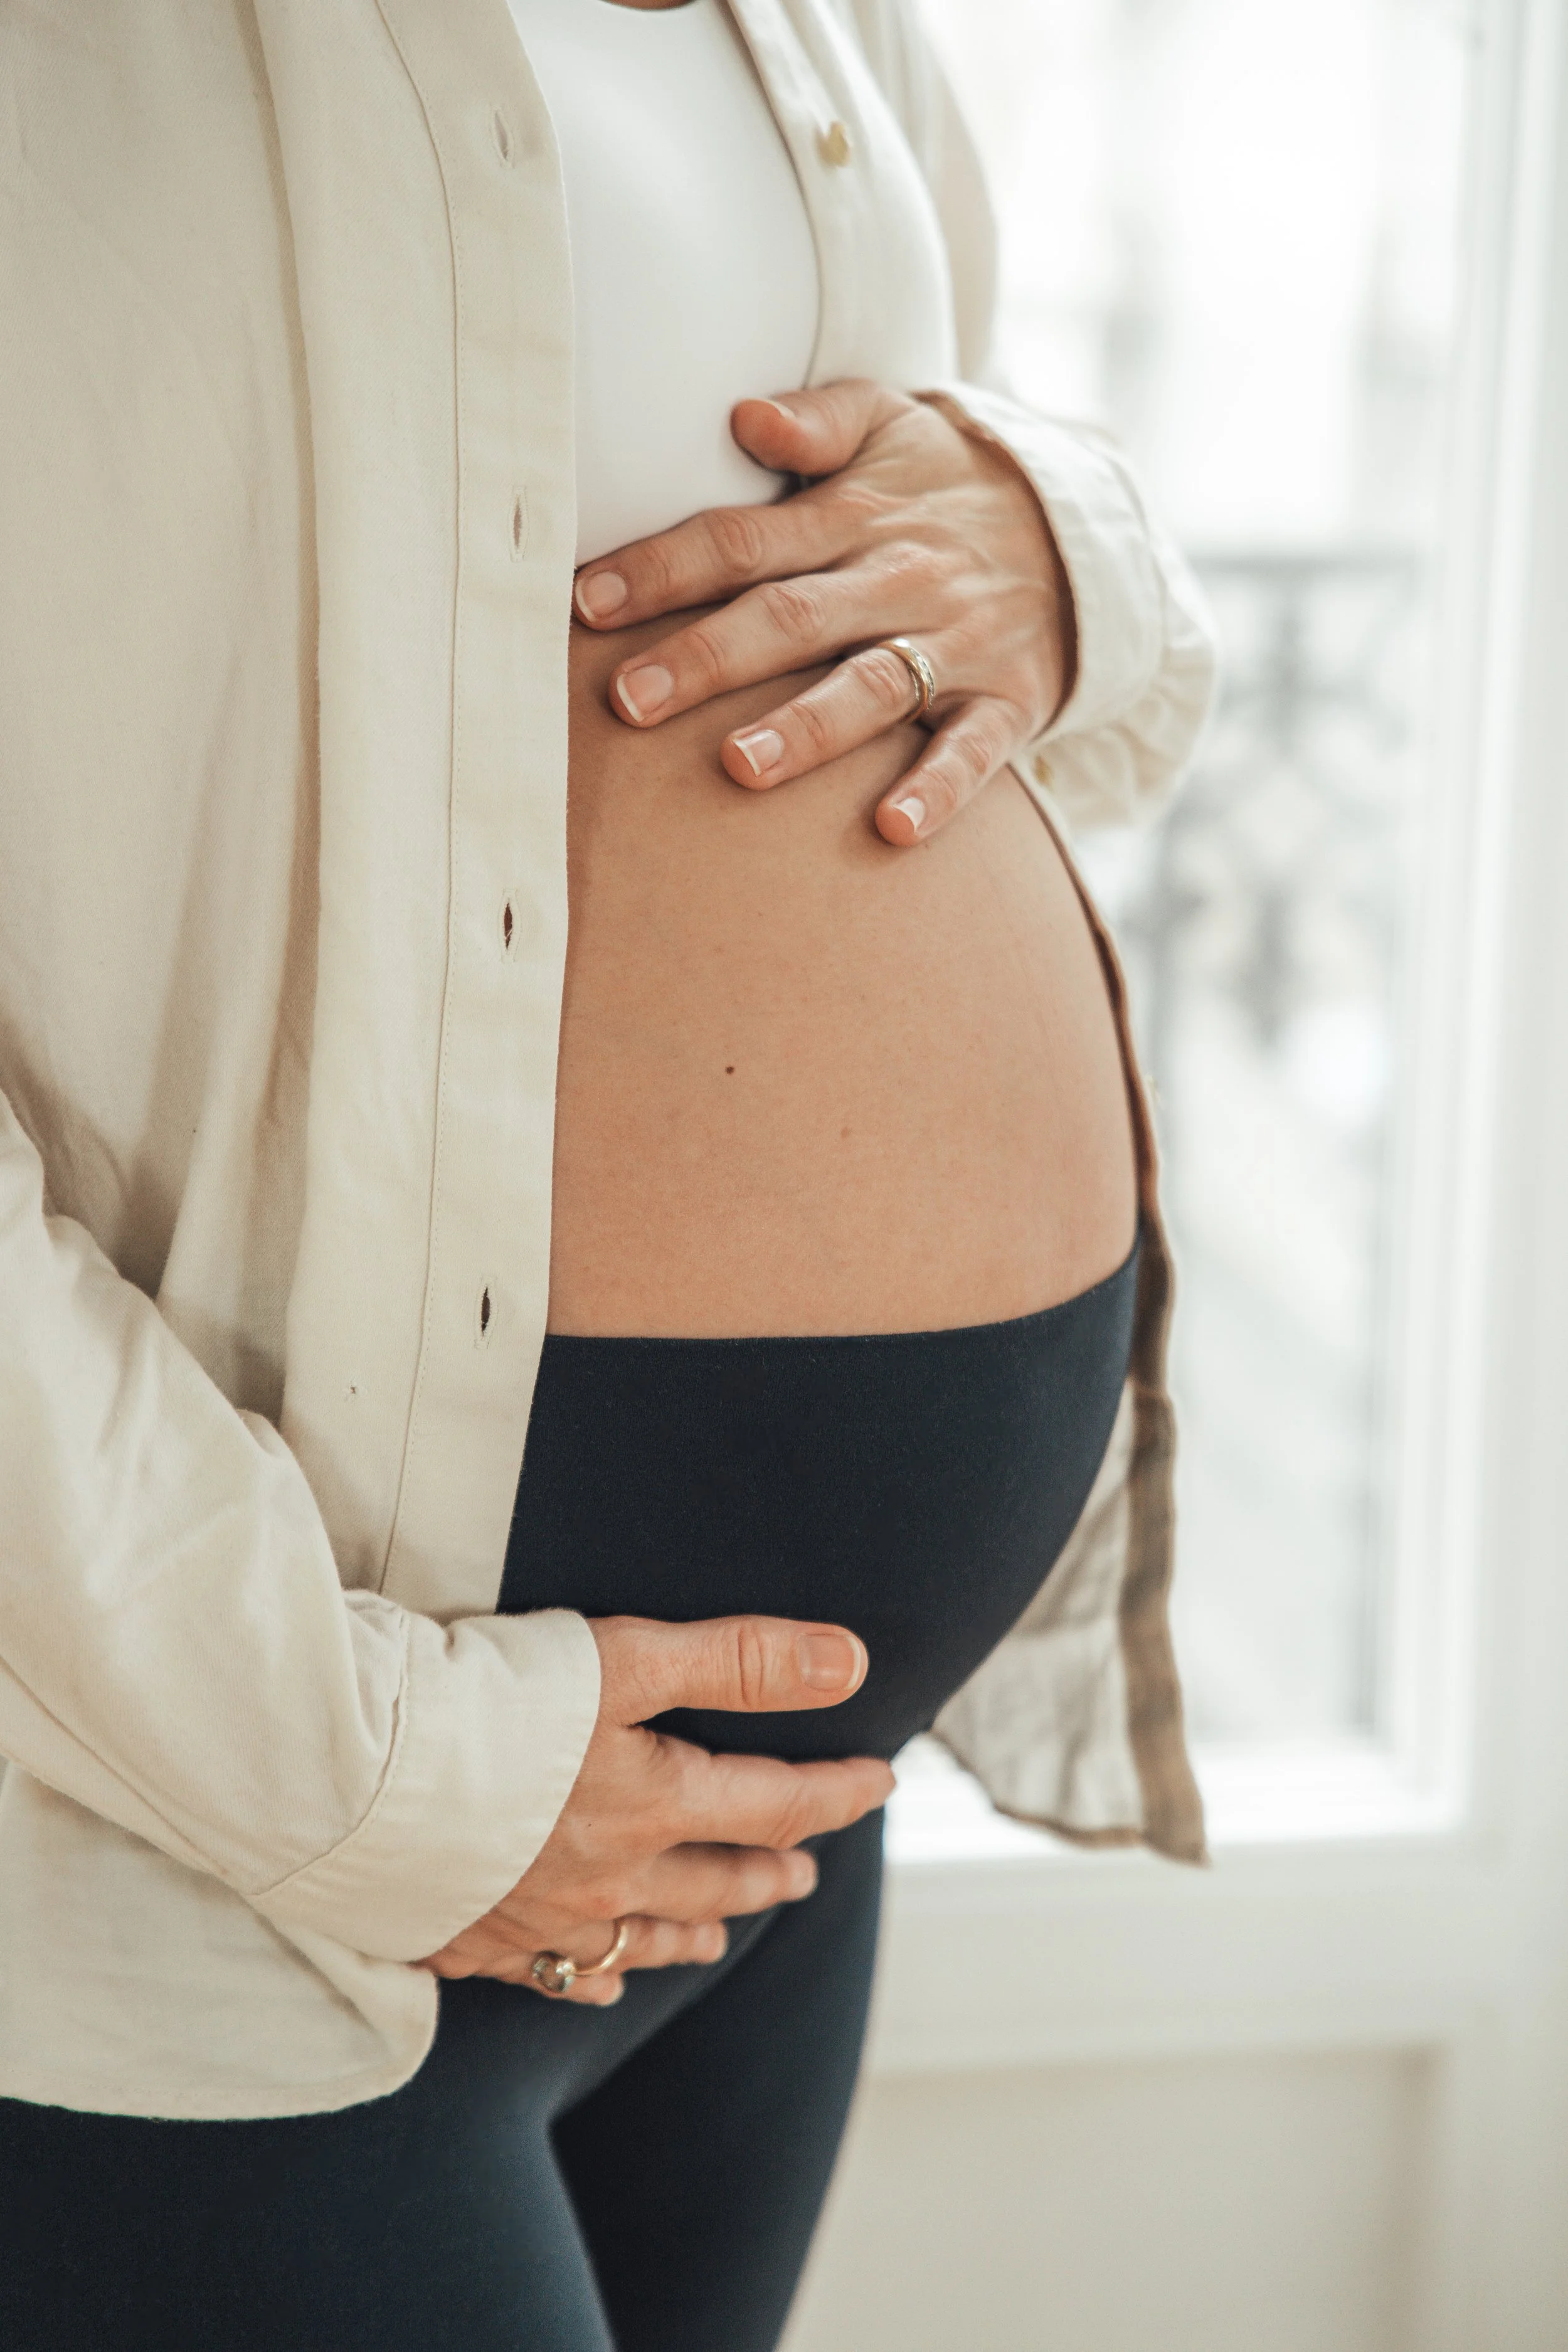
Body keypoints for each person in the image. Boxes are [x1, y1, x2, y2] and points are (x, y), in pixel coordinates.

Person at [0, 1, 1216, 2345]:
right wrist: (359, 1774)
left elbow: (880, 503)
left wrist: (1053, 542)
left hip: (750, 1836)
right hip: (232, 1847)